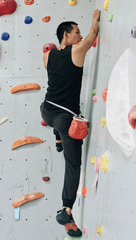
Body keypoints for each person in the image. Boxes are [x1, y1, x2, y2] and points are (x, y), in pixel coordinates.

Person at [40, 10, 100, 236]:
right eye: (76, 31)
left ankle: (57, 136)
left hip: (47, 112)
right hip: (65, 119)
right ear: (66, 35)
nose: (80, 34)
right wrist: (94, 19)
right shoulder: (77, 50)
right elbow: (93, 35)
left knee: (46, 107)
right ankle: (67, 208)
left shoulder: (48, 56)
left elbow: (54, 73)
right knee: (73, 164)